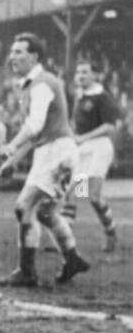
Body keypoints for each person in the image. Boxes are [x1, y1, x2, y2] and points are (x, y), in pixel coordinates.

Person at [0, 33, 89, 286]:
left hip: (56, 152)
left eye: (18, 52)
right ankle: (72, 258)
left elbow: (34, 126)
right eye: (12, 51)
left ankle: (27, 272)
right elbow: (37, 136)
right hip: (56, 151)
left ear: (34, 56)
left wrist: (11, 145)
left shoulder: (42, 84)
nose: (12, 56)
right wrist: (12, 160)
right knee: (45, 212)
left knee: (24, 207)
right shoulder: (31, 85)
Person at [61, 60, 121, 251]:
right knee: (71, 193)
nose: (80, 75)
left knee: (93, 197)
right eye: (78, 71)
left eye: (85, 72)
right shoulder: (80, 95)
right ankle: (65, 240)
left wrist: (83, 137)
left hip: (99, 149)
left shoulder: (102, 97)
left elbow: (109, 127)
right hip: (83, 149)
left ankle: (111, 233)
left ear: (95, 75)